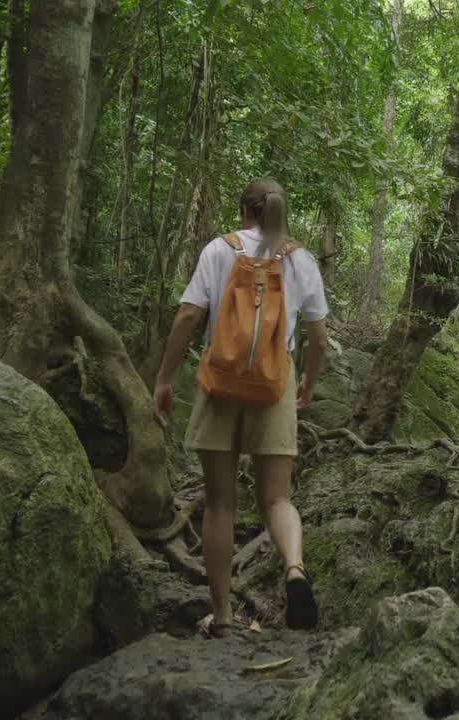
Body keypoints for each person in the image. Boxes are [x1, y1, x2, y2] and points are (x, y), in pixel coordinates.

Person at [152, 177, 329, 637]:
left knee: (220, 504)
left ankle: (225, 617)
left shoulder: (219, 250)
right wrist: (306, 380)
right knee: (277, 498)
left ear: (243, 211)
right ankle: (294, 568)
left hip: (219, 385)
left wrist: (165, 380)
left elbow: (189, 316)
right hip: (274, 384)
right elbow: (319, 335)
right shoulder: (300, 259)